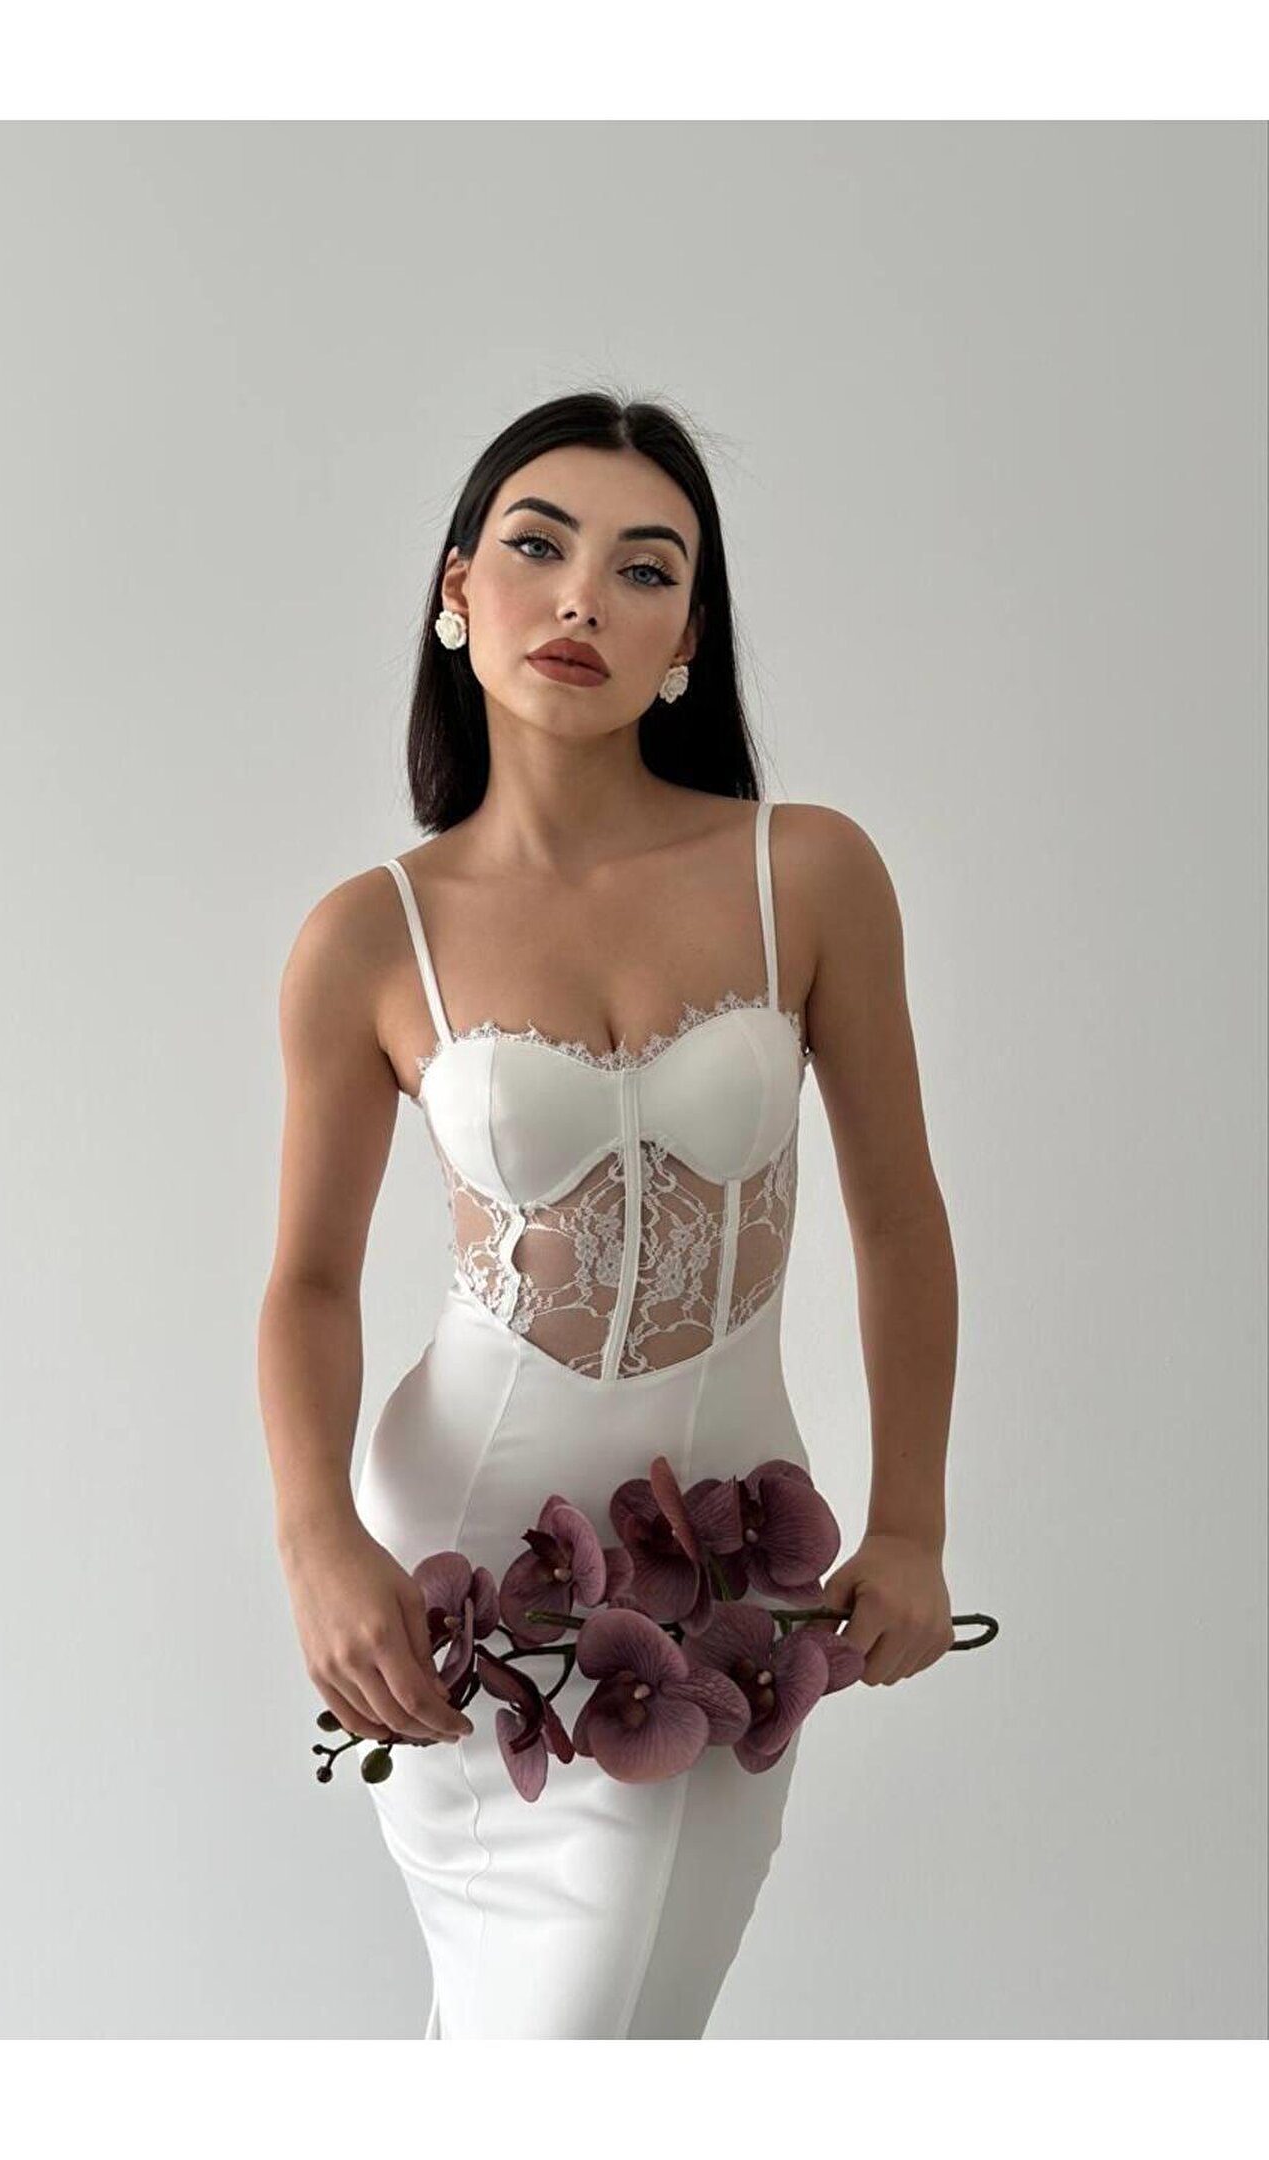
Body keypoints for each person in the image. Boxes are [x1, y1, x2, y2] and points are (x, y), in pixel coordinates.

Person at [257, 390, 958, 2039]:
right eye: (537, 547)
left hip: (720, 1574)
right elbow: (306, 1281)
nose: (582, 597)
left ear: (686, 640)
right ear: (457, 590)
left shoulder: (811, 875)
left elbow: (901, 1219)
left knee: (595, 2034)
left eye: (646, 570)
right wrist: (316, 1541)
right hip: (459, 1566)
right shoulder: (368, 937)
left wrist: (912, 1524)